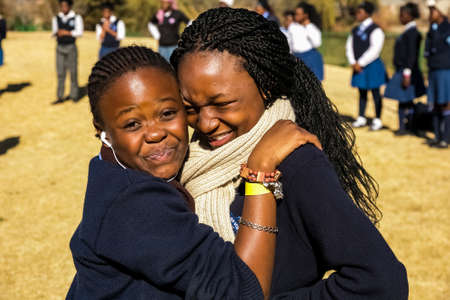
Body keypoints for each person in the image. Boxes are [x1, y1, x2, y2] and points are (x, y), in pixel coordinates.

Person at [171, 7, 409, 299]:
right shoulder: (183, 159)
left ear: (266, 87)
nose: (205, 123)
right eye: (191, 108)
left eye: (223, 104)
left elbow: (380, 280)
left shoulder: (297, 163)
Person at [66, 46, 320, 299]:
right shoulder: (134, 203)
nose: (155, 133)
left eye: (167, 113)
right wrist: (260, 172)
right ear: (102, 130)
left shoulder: (113, 173)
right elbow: (244, 291)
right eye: (132, 124)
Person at [384, 2, 426, 136]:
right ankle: (406, 126)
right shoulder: (408, 31)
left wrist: (407, 74)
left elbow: (412, 54)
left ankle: (406, 127)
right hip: (403, 69)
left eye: (402, 15)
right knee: (405, 99)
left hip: (407, 71)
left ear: (409, 15)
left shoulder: (413, 33)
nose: (400, 17)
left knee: (404, 99)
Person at [346, 1, 387, 131]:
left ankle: (377, 120)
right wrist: (353, 61)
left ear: (368, 14)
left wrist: (361, 62)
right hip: (357, 65)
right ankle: (361, 118)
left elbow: (375, 49)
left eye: (360, 12)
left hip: (371, 65)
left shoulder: (376, 30)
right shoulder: (355, 29)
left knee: (375, 93)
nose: (357, 14)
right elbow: (349, 46)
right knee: (362, 91)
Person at [425, 0, 450, 149]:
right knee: (434, 103)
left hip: (445, 70)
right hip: (434, 70)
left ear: (440, 12)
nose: (430, 14)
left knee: (446, 104)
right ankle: (436, 136)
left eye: (432, 10)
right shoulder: (432, 28)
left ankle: (445, 138)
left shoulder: (447, 28)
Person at [52, 0, 83, 104]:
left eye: (65, 5)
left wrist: (67, 32)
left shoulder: (76, 17)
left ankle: (74, 96)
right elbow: (54, 32)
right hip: (60, 47)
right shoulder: (56, 18)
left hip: (71, 47)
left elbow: (79, 32)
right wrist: (57, 33)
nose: (63, 7)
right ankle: (60, 97)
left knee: (73, 72)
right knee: (60, 73)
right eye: (62, 6)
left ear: (70, 6)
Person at [289, 2, 324, 81]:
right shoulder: (292, 26)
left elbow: (317, 43)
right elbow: (290, 43)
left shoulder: (312, 27)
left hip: (310, 59)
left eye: (298, 14)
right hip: (296, 58)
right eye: (295, 14)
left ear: (306, 15)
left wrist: (307, 26)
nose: (296, 16)